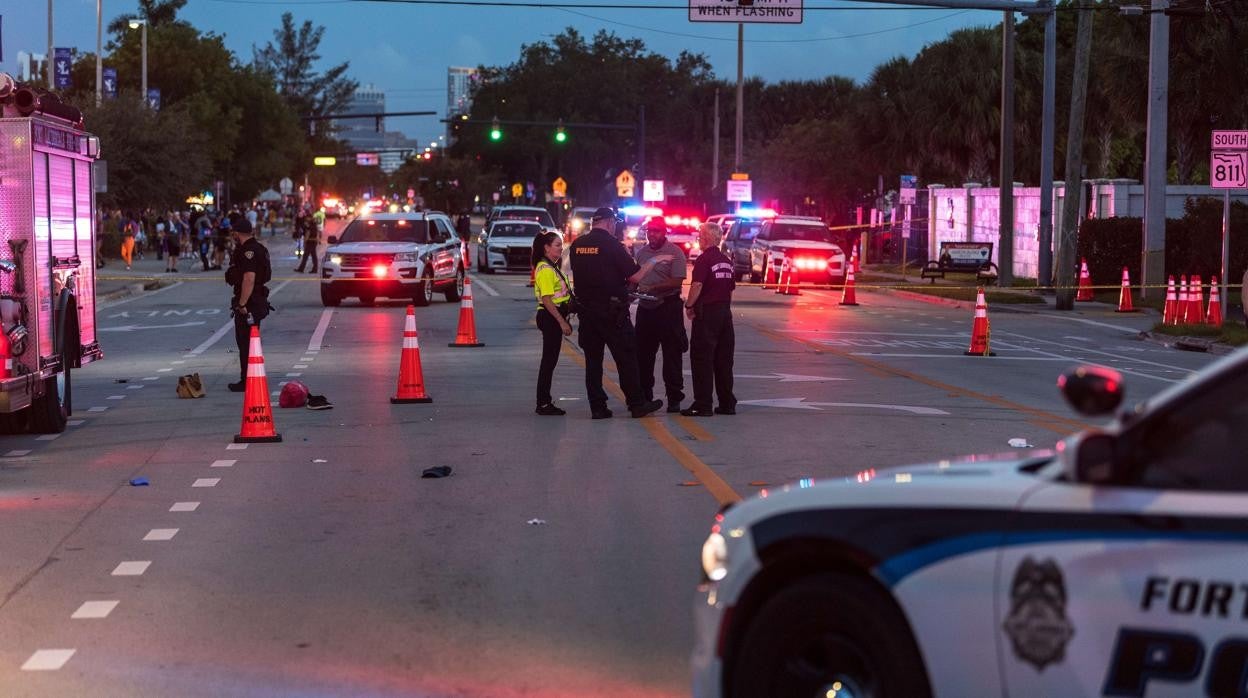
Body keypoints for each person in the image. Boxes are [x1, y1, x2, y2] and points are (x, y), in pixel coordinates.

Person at [567, 207, 670, 419]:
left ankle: (598, 407)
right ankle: (636, 403)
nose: (616, 227)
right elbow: (635, 277)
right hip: (612, 313)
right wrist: (653, 261)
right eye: (615, 223)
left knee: (593, 361)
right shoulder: (612, 245)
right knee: (626, 357)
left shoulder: (577, 245)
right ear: (608, 222)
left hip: (586, 312)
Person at [633, 216, 688, 413]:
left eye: (656, 230)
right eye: (649, 230)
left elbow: (677, 281)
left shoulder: (675, 253)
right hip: (646, 309)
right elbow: (636, 278)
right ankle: (645, 396)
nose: (651, 234)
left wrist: (654, 288)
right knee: (643, 355)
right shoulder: (642, 253)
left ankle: (674, 397)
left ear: (664, 232)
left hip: (668, 308)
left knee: (672, 355)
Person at [681, 223, 737, 417]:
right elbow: (730, 287)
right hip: (724, 314)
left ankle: (703, 404)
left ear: (707, 238)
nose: (698, 239)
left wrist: (689, 306)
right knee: (723, 359)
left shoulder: (704, 259)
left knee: (702, 359)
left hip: (708, 315)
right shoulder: (726, 260)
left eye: (700, 236)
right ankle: (727, 402)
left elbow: (697, 285)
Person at [225, 218, 272, 392]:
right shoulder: (257, 248)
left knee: (245, 342)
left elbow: (249, 278)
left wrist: (242, 303)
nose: (232, 236)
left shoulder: (248, 251)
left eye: (233, 233)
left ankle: (246, 380)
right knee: (249, 342)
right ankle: (250, 377)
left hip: (250, 303)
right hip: (256, 300)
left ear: (237, 233)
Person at [532, 231, 573, 416]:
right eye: (557, 244)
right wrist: (562, 322)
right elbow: (547, 300)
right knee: (548, 362)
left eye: (561, 244)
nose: (561, 247)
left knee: (550, 361)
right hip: (550, 317)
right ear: (546, 248)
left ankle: (544, 401)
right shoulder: (546, 270)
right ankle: (543, 403)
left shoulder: (552, 266)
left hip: (553, 316)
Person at [295, 207, 320, 273]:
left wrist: (305, 242)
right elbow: (317, 234)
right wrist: (317, 240)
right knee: (314, 256)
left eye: (307, 218)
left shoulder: (310, 226)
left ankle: (301, 269)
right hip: (314, 242)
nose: (306, 219)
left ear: (310, 218)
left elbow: (307, 234)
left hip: (310, 242)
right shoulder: (314, 225)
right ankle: (314, 269)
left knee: (306, 256)